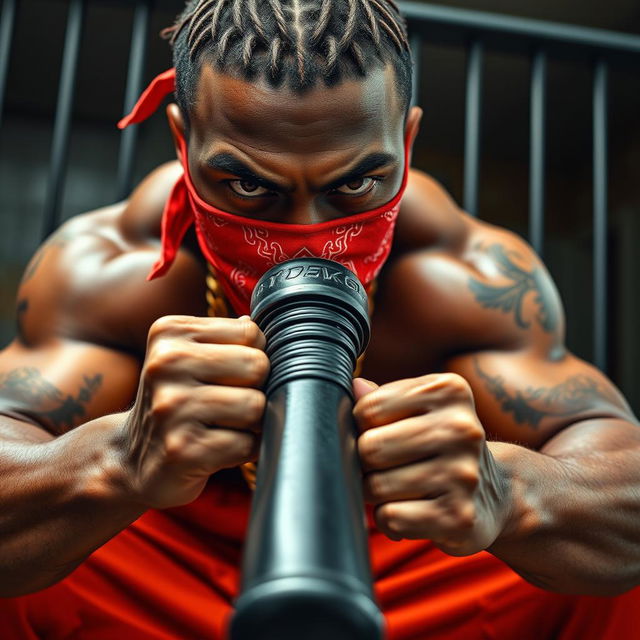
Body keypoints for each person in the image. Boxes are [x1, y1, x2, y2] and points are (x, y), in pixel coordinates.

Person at [1, 0, 639, 638]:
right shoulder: (107, 273)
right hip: (159, 560)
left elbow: (622, 477)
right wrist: (116, 459)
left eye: (355, 186)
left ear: (405, 142)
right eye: (250, 187)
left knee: (605, 584)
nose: (306, 237)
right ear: (182, 141)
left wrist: (507, 492)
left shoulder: (466, 276)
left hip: (396, 556)